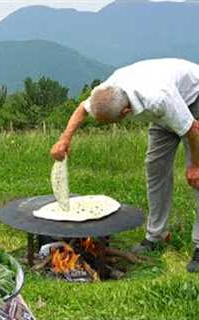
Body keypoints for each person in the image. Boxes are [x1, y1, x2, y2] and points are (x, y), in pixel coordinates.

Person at [50, 58, 199, 272]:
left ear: (126, 112)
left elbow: (192, 130)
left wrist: (195, 165)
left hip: (194, 99)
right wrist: (65, 139)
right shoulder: (106, 91)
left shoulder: (159, 98)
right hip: (164, 112)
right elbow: (82, 109)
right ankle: (156, 236)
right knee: (155, 168)